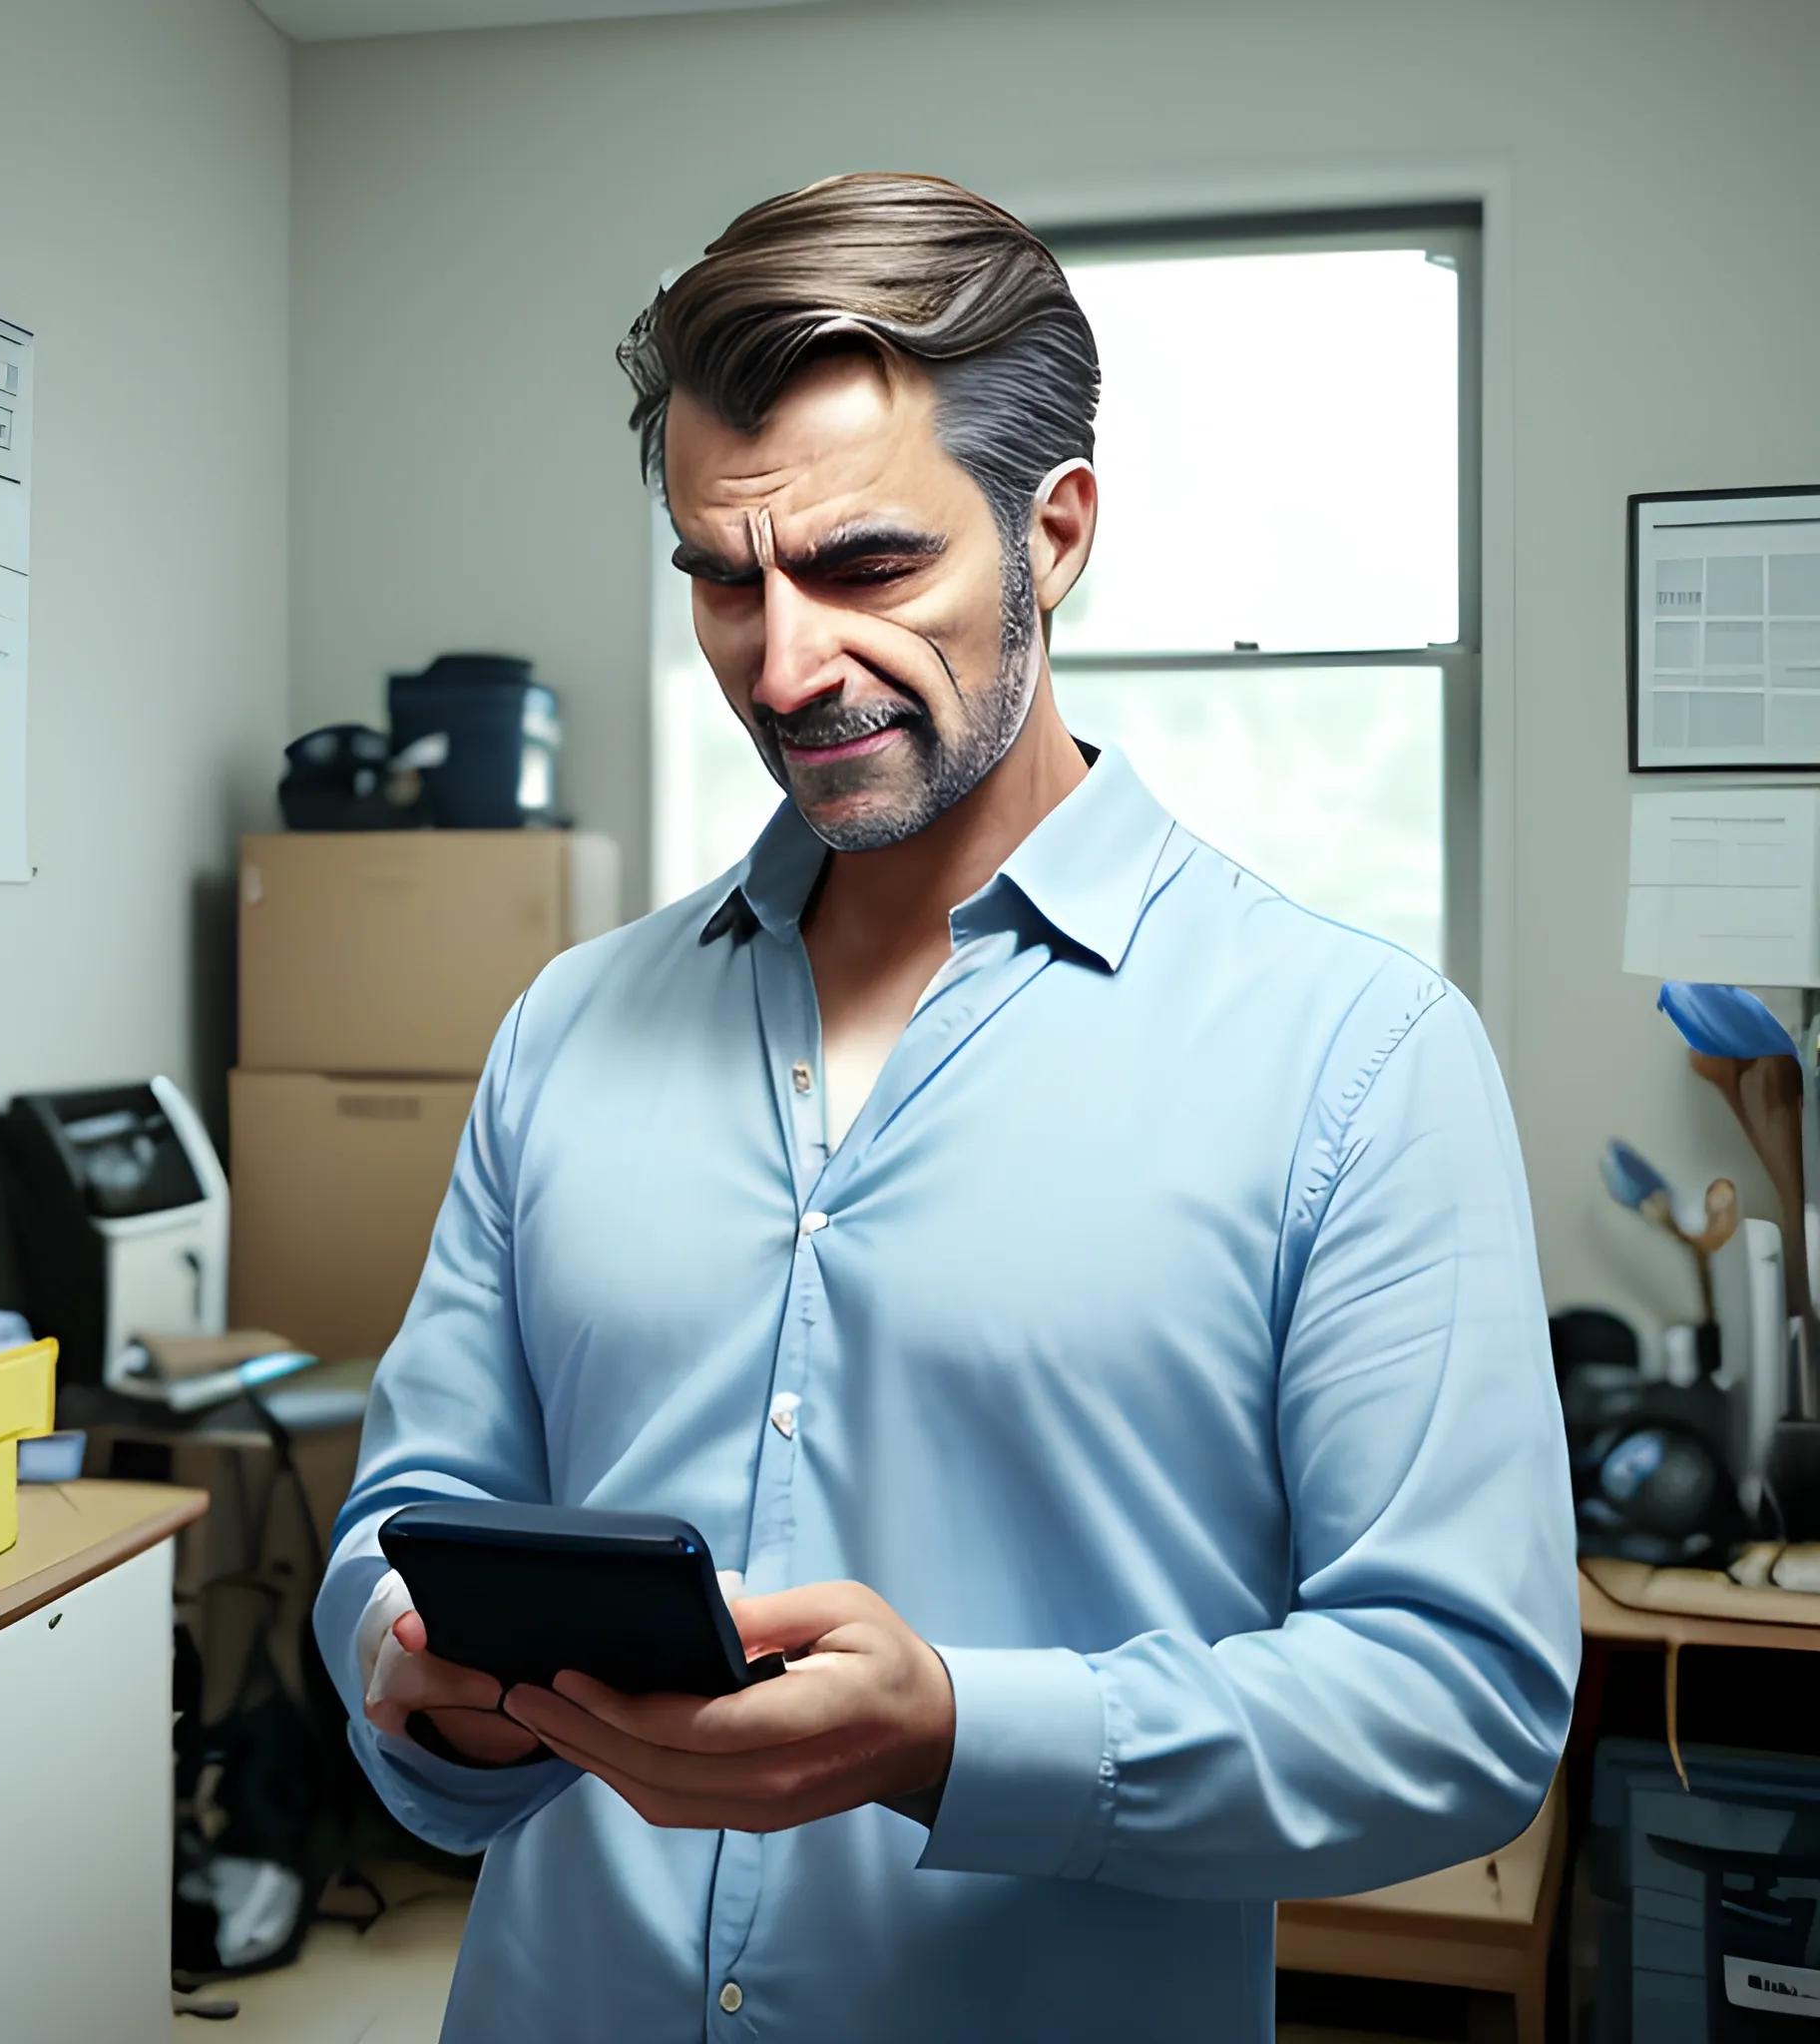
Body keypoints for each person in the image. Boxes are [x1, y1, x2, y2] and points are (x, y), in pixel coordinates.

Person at [314, 172, 1578, 2042]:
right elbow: (405, 1518)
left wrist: (961, 1738)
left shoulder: (1358, 1055)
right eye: (724, 581)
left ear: (1054, 533)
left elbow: (1458, 1703)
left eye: (866, 567)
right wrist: (409, 1669)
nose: (784, 659)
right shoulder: (565, 1031)